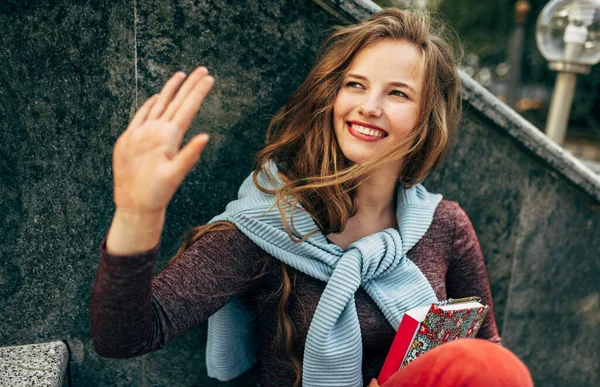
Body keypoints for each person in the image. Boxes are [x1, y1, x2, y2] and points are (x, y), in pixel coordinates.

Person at [91, 8, 533, 387]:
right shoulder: (270, 224)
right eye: (355, 85)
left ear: (425, 120)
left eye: (397, 93)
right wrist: (138, 211)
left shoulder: (444, 225)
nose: (369, 106)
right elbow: (125, 338)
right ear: (333, 95)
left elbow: (486, 346)